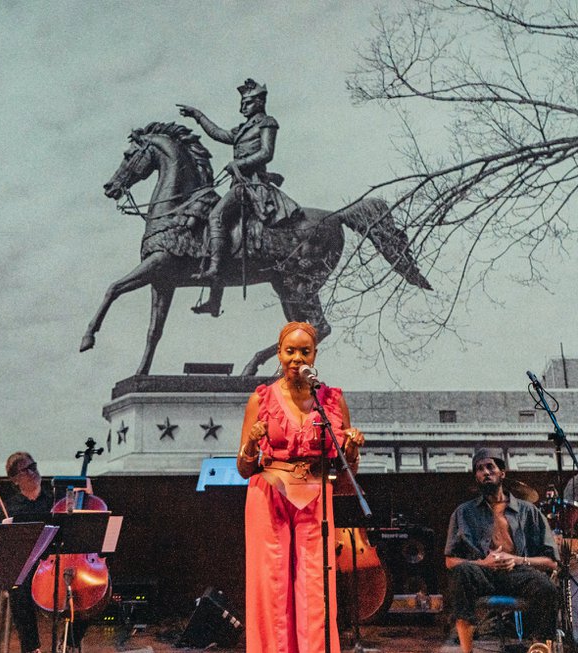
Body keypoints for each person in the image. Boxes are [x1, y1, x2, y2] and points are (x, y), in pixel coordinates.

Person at [237, 320, 364, 653]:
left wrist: (351, 447)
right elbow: (243, 467)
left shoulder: (332, 400)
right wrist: (251, 444)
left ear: (315, 354)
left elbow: (347, 466)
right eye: (289, 351)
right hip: (269, 492)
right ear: (278, 353)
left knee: (315, 584)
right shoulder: (261, 398)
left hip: (315, 493)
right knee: (271, 585)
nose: (296, 358)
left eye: (303, 351)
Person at [178, 78, 303, 316]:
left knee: (216, 216)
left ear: (258, 102)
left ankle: (214, 270)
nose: (242, 108)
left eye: (246, 103)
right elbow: (219, 134)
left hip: (252, 185)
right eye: (242, 103)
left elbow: (267, 153)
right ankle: (215, 299)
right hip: (238, 184)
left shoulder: (267, 123)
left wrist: (239, 163)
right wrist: (198, 116)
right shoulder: (243, 129)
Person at [445, 449, 559, 653]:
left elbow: (551, 562)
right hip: (482, 573)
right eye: (480, 469)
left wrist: (516, 559)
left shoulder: (528, 511)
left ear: (502, 473)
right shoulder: (463, 512)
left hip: (518, 573)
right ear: (476, 477)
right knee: (462, 573)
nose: (485, 472)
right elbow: (450, 561)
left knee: (547, 588)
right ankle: (466, 650)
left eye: (490, 467)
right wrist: (483, 563)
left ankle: (541, 648)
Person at [0, 452, 54, 653]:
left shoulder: (54, 499)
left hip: (52, 561)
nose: (32, 472)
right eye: (25, 469)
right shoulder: (9, 507)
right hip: (26, 564)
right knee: (19, 586)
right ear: (15, 479)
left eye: (33, 466)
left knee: (80, 588)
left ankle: (70, 641)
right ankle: (31, 648)